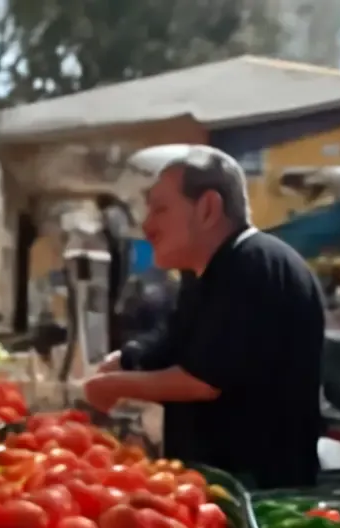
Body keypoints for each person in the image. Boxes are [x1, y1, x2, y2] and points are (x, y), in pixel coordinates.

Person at [83, 146, 325, 488]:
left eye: (161, 209)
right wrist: (124, 359)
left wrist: (114, 386)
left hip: (256, 488)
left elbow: (204, 379)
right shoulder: (208, 272)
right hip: (217, 482)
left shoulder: (253, 264)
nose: (147, 226)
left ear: (208, 209)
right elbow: (174, 342)